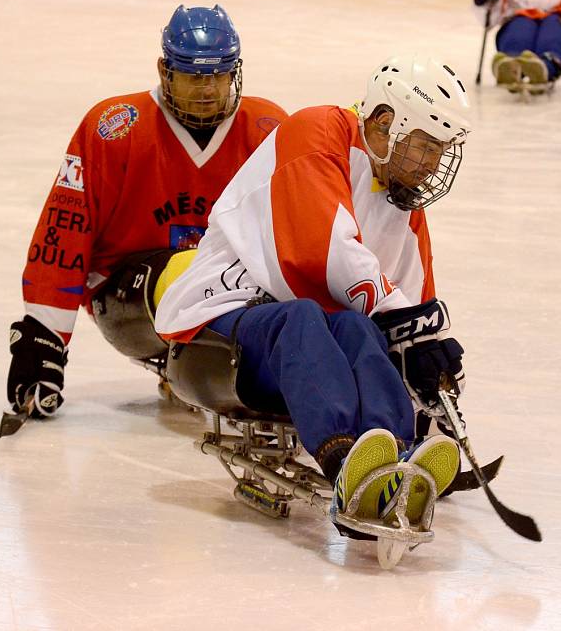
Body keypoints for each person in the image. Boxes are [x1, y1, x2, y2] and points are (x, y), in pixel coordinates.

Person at [154, 54, 471, 532]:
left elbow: (412, 307)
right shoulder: (318, 130)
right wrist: (409, 324)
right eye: (424, 146)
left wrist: (433, 389)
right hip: (212, 332)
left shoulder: (403, 198)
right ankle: (346, 467)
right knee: (302, 316)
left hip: (296, 341)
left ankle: (395, 458)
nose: (431, 164)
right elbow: (321, 251)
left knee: (358, 327)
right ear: (385, 122)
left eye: (439, 150)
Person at [6, 5, 288, 421]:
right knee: (189, 273)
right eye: (193, 75)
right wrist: (44, 335)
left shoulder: (268, 130)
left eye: (219, 75)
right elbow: (66, 230)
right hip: (130, 297)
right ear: (164, 70)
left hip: (228, 287)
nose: (208, 89)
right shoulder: (114, 128)